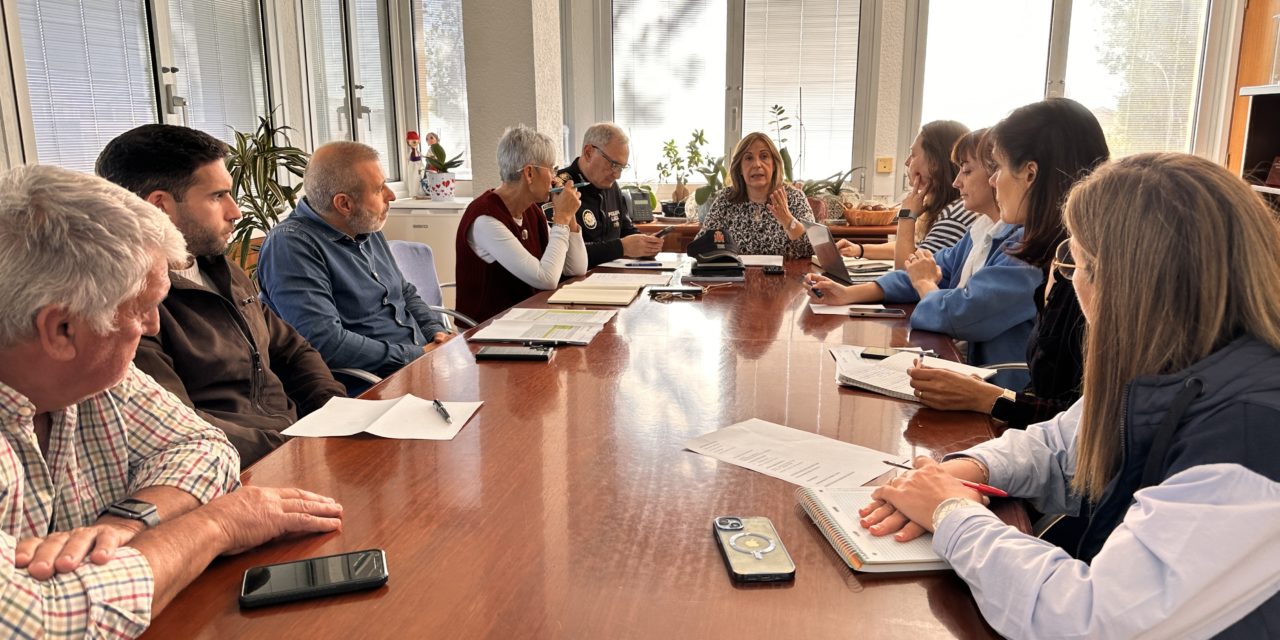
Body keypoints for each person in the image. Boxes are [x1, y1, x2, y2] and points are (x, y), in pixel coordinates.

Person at [858, 153, 1280, 638]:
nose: (1067, 277)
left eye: (1072, 261)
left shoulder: (1252, 433)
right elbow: (1061, 444)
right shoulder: (1180, 362)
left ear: (1125, 282)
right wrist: (967, 469)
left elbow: (1090, 621)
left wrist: (951, 512)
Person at [0, 165, 342, 637]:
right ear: (61, 330)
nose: (154, 327)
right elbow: (43, 621)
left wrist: (130, 520)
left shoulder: (93, 375)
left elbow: (204, 446)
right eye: (142, 309)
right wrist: (215, 525)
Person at [96, 124, 346, 469]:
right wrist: (294, 446)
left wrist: (334, 410)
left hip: (299, 442)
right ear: (160, 206)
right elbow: (180, 425)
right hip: (241, 467)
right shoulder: (128, 305)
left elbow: (291, 349)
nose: (235, 211)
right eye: (217, 196)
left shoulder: (220, 267)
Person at [906, 98, 1109, 428]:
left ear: (1030, 173)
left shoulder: (1081, 267)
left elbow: (1082, 419)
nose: (991, 180)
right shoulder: (1056, 254)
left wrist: (985, 398)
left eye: (997, 167)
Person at [804, 129, 1042, 387]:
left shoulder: (1024, 247)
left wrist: (925, 284)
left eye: (967, 171)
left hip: (989, 386)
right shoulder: (981, 230)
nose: (956, 182)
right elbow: (918, 271)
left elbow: (960, 312)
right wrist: (848, 294)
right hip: (958, 366)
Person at [258, 141, 452, 379]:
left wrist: (437, 333)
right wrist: (415, 355)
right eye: (380, 189)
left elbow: (405, 293)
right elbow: (325, 343)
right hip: (370, 383)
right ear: (344, 204)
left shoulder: (365, 227)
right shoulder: (291, 246)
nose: (391, 196)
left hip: (418, 364)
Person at [455, 124, 588, 323]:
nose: (555, 177)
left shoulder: (531, 210)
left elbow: (577, 268)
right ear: (529, 173)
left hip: (527, 319)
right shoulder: (486, 219)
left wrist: (570, 217)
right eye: (552, 169)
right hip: (487, 330)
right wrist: (561, 218)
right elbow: (547, 279)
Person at [838, 121, 976, 267]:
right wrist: (859, 250)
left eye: (913, 155)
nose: (907, 162)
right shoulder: (947, 208)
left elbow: (906, 275)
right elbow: (913, 248)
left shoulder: (953, 216)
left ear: (934, 162)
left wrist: (906, 216)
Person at [556, 122, 663, 267]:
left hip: (613, 277)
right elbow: (564, 255)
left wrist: (645, 244)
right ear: (589, 152)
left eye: (621, 167)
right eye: (613, 164)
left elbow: (625, 229)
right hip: (574, 284)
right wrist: (622, 247)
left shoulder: (611, 186)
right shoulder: (560, 188)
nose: (617, 175)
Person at [695, 132, 815, 258]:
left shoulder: (795, 198)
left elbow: (814, 249)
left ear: (774, 165)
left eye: (764, 156)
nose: (757, 164)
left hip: (786, 276)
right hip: (736, 276)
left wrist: (788, 221)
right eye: (748, 158)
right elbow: (699, 248)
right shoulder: (726, 199)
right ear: (740, 168)